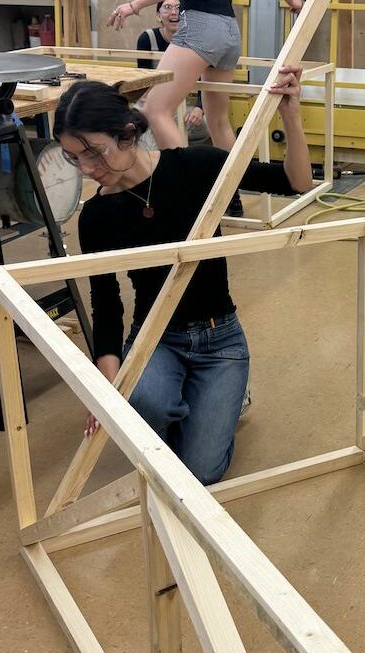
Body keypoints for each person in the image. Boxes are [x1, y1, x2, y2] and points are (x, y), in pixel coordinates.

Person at [55, 65, 311, 485]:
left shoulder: (196, 166)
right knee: (146, 409)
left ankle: (224, 396)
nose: (86, 168)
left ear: (127, 133)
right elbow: (106, 305)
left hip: (221, 339)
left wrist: (291, 114)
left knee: (200, 472)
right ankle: (187, 402)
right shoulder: (97, 216)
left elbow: (295, 182)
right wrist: (106, 389)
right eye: (74, 157)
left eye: (94, 152)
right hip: (155, 338)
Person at [109, 0, 304, 151]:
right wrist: (294, 2)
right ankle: (230, 189)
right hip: (229, 29)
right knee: (218, 122)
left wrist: (133, 6)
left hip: (200, 26)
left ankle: (187, 183)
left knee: (155, 111)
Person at [135, 1, 205, 138]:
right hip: (154, 102)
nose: (174, 12)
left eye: (178, 8)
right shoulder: (148, 39)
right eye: (167, 7)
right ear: (158, 16)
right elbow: (143, 82)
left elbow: (206, 80)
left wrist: (199, 108)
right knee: (148, 122)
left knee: (203, 125)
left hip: (185, 105)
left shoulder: (196, 41)